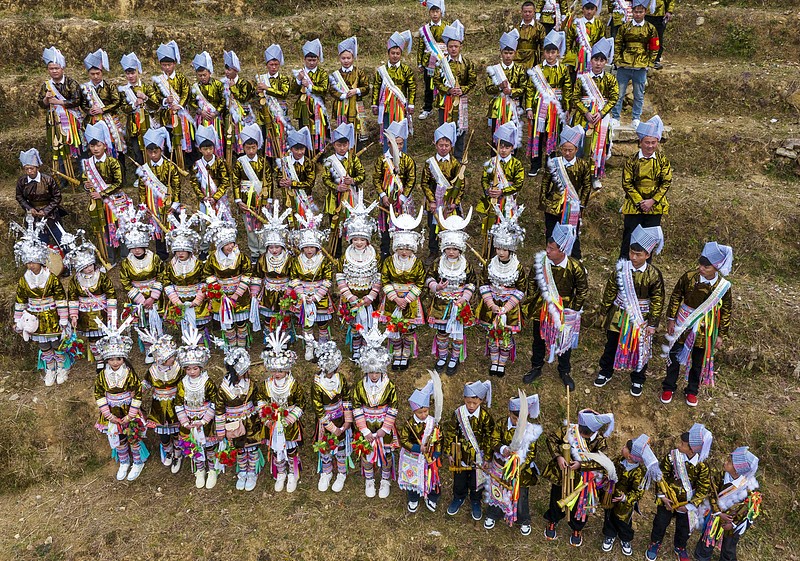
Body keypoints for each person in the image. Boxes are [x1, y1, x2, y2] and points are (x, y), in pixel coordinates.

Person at [595, 225, 665, 396]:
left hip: (641, 316)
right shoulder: (621, 269)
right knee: (611, 343)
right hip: (619, 313)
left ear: (647, 255)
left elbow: (658, 299)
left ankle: (638, 378)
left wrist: (653, 323)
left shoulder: (654, 275)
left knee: (641, 347)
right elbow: (610, 290)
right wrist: (604, 311)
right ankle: (605, 371)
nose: (633, 257)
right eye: (631, 252)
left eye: (638, 254)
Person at [661, 242, 733, 407]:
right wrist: (671, 319)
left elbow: (727, 310)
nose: (701, 268)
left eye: (706, 267)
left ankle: (692, 390)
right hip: (683, 323)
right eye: (700, 264)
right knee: (674, 354)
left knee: (698, 361)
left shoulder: (722, 287)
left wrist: (721, 334)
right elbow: (676, 295)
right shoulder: (688, 277)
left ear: (716, 267)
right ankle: (668, 386)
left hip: (705, 328)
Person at [524, 223, 589, 390]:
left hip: (564, 311)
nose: (547, 251)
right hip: (543, 308)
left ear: (563, 250)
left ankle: (564, 371)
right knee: (538, 338)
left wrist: (572, 310)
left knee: (564, 342)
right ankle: (536, 367)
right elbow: (531, 282)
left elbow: (582, 290)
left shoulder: (575, 267)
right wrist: (534, 301)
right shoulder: (541, 263)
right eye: (547, 246)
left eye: (552, 248)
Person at [541, 409, 616, 546]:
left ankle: (577, 528)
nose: (582, 436)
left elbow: (601, 461)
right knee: (557, 498)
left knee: (581, 506)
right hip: (562, 475)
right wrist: (558, 456)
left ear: (594, 432)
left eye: (586, 435)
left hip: (584, 480)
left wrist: (581, 465)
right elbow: (551, 439)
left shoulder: (599, 441)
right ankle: (553, 519)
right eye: (581, 432)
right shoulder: (568, 430)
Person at [11, 216, 70, 386]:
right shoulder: (24, 280)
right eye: (28, 262)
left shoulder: (51, 278)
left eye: (33, 262)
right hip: (34, 317)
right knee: (43, 345)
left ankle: (61, 367)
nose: (31, 265)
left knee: (56, 342)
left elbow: (60, 298)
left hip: (51, 315)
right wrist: (18, 320)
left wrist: (63, 318)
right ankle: (49, 369)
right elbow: (21, 300)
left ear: (40, 261)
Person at [92, 309, 147, 481]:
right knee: (118, 436)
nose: (115, 362)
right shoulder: (102, 375)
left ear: (124, 359)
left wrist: (131, 415)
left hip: (128, 409)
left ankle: (138, 462)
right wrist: (108, 415)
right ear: (106, 359)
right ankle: (124, 461)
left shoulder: (129, 374)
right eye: (112, 359)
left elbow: (138, 392)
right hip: (111, 412)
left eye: (119, 359)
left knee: (132, 435)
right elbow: (98, 393)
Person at [646, 424, 713, 561]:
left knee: (684, 528)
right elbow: (661, 476)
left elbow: (703, 489)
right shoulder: (672, 456)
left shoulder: (702, 466)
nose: (678, 445)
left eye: (682, 444)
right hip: (668, 499)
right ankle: (655, 543)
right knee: (660, 522)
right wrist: (663, 496)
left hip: (687, 503)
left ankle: (680, 547)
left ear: (691, 449)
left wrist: (689, 506)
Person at [475, 202, 527, 377]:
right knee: (492, 334)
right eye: (498, 248)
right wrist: (491, 304)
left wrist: (506, 308)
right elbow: (483, 282)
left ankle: (501, 363)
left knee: (505, 337)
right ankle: (493, 360)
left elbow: (521, 287)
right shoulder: (490, 264)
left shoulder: (518, 267)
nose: (501, 252)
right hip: (492, 305)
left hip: (508, 308)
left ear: (511, 249)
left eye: (504, 249)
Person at [426, 209, 477, 376]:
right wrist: (436, 287)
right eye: (449, 248)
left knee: (457, 332)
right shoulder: (438, 263)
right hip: (441, 303)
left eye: (455, 249)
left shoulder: (466, 264)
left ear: (460, 250)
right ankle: (442, 356)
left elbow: (472, 282)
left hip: (459, 304)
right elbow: (429, 277)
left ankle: (454, 357)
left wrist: (464, 298)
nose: (451, 252)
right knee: (442, 331)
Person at [351, 324, 400, 499]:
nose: (373, 376)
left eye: (376, 372)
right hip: (367, 424)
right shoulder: (359, 386)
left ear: (382, 369)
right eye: (370, 372)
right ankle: (369, 479)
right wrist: (364, 430)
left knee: (386, 453)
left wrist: (384, 429)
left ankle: (385, 480)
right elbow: (356, 407)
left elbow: (393, 407)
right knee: (367, 453)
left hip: (383, 426)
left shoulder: (389, 386)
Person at [483, 393, 543, 535]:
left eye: (520, 419)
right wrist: (503, 449)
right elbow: (493, 440)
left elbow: (531, 454)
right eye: (514, 418)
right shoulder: (501, 424)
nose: (517, 422)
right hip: (500, 467)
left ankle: (523, 519)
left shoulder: (531, 431)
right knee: (497, 491)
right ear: (509, 413)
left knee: (520, 495)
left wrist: (518, 465)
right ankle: (494, 513)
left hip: (520, 471)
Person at [335, 192, 382, 359]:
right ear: (351, 240)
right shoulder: (345, 256)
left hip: (369, 296)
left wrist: (371, 295)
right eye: (356, 239)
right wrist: (349, 296)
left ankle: (367, 348)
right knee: (355, 325)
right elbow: (340, 276)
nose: (359, 242)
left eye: (362, 239)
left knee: (370, 323)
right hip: (352, 297)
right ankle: (356, 349)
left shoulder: (374, 255)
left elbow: (378, 276)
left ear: (367, 240)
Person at [694, 447, 762, 561]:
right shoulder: (720, 476)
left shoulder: (747, 489)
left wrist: (734, 525)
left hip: (731, 522)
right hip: (716, 516)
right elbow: (712, 494)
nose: (725, 462)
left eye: (729, 462)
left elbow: (747, 512)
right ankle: (702, 557)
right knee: (707, 539)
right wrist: (719, 513)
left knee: (728, 547)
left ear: (737, 470)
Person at [380, 209, 427, 371]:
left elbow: (420, 282)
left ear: (413, 249)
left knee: (407, 328)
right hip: (393, 300)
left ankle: (406, 352)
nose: (404, 252)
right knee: (394, 328)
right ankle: (396, 352)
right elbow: (384, 279)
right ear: (396, 247)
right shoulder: (388, 261)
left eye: (407, 248)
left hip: (410, 300)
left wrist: (406, 300)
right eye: (401, 248)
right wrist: (395, 298)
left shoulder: (417, 263)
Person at [260, 327, 305, 493]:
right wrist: (266, 415)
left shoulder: (293, 385)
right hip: (273, 423)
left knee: (291, 448)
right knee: (276, 448)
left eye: (280, 370)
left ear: (287, 369)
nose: (277, 374)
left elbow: (301, 403)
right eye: (274, 370)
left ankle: (293, 473)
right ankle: (280, 472)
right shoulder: (267, 384)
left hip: (289, 423)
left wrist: (290, 418)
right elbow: (261, 400)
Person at [214, 345, 265, 492]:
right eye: (244, 371)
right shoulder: (224, 389)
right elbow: (219, 409)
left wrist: (263, 417)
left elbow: (257, 401)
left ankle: (252, 471)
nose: (247, 373)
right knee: (240, 449)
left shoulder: (251, 384)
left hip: (251, 420)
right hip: (233, 423)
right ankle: (243, 471)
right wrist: (220, 430)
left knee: (252, 447)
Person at [619, 115, 672, 257]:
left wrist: (652, 201)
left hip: (654, 207)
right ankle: (624, 269)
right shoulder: (631, 161)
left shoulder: (662, 161)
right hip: (634, 205)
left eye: (653, 142)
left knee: (648, 241)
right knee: (629, 238)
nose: (650, 146)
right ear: (640, 142)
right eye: (647, 142)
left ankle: (645, 270)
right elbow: (627, 183)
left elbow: (666, 181)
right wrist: (640, 202)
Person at [601, 434, 663, 555]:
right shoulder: (619, 460)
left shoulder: (639, 472)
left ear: (630, 456)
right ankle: (609, 535)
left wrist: (625, 498)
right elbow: (609, 468)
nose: (622, 447)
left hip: (625, 504)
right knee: (609, 517)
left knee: (624, 522)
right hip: (610, 496)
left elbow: (638, 492)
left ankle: (625, 539)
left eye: (625, 447)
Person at [116, 205, 163, 363]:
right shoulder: (126, 262)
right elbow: (125, 282)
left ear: (144, 245)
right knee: (142, 323)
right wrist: (141, 299)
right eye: (133, 247)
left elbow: (162, 275)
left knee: (156, 322)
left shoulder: (154, 258)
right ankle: (149, 349)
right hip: (138, 299)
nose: (136, 250)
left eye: (139, 247)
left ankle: (159, 346)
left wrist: (152, 297)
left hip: (154, 297)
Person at [444, 380, 496, 521]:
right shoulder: (458, 413)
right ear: (464, 399)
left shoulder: (485, 417)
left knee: (476, 482)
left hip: (478, 457)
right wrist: (449, 452)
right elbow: (450, 432)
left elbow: (490, 437)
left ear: (481, 400)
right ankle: (458, 497)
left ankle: (475, 500)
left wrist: (487, 457)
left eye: (475, 403)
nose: (471, 406)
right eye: (468, 402)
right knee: (459, 480)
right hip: (460, 454)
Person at [200, 208, 253, 348]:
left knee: (241, 321)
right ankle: (231, 343)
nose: (231, 246)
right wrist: (217, 290)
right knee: (227, 321)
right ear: (221, 245)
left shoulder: (240, 257)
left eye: (232, 243)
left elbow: (247, 273)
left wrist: (237, 294)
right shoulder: (213, 257)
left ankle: (241, 342)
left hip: (239, 294)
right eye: (227, 244)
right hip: (221, 295)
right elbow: (207, 273)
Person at [538, 124, 593, 260]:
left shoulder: (583, 165)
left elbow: (587, 186)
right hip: (553, 205)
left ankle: (574, 259)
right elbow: (545, 182)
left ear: (576, 149)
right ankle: (551, 257)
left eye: (570, 150)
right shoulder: (554, 163)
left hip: (572, 206)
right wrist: (544, 200)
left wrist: (581, 205)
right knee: (551, 232)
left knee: (572, 233)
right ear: (560, 149)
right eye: (564, 150)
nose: (567, 153)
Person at [64, 234, 117, 374]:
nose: (88, 269)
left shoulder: (102, 277)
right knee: (93, 338)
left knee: (105, 337)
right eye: (85, 267)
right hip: (86, 315)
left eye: (90, 265)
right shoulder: (75, 281)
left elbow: (111, 293)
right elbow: (73, 298)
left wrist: (111, 313)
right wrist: (74, 315)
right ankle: (99, 360)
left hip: (101, 312)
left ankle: (108, 358)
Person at [572, 37, 619, 190]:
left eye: (601, 60)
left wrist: (602, 113)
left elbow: (614, 98)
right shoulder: (582, 79)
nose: (598, 63)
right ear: (590, 61)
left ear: (605, 62)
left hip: (601, 119)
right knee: (581, 145)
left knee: (598, 147)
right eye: (595, 60)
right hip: (583, 118)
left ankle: (595, 176)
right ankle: (578, 174)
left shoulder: (610, 79)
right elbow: (575, 97)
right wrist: (585, 112)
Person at [287, 210, 335, 361]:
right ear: (302, 248)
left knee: (322, 322)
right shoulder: (297, 261)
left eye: (312, 247)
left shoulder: (323, 261)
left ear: (317, 248)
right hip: (303, 296)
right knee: (307, 322)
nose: (309, 250)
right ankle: (309, 346)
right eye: (306, 247)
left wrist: (316, 296)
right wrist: (301, 295)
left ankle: (322, 346)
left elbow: (328, 279)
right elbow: (294, 278)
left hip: (319, 296)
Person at [174, 325, 218, 488]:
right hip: (189, 422)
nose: (192, 372)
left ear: (201, 367)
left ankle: (212, 470)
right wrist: (185, 422)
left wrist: (204, 421)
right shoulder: (182, 384)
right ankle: (199, 470)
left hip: (205, 422)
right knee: (194, 445)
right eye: (188, 368)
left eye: (195, 368)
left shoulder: (208, 382)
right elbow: (178, 404)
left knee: (209, 445)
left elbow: (214, 402)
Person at [525, 30, 572, 177]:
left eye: (553, 52)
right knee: (538, 133)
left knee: (553, 133)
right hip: (540, 106)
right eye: (547, 52)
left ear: (557, 53)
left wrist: (567, 108)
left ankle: (551, 162)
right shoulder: (537, 69)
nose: (550, 55)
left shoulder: (563, 69)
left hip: (556, 107)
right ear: (543, 53)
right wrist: (529, 108)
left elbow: (568, 89)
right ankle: (535, 163)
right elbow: (530, 88)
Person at [82, 120, 129, 265]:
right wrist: (86, 185)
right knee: (105, 229)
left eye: (98, 145)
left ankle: (125, 257)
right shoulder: (87, 163)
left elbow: (119, 183)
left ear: (104, 145)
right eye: (92, 146)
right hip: (98, 203)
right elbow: (85, 179)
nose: (95, 149)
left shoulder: (113, 162)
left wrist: (102, 193)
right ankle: (110, 259)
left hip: (114, 200)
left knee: (119, 227)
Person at [136, 330, 182, 474]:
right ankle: (168, 451)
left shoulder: (178, 368)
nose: (173, 358)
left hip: (175, 404)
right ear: (162, 359)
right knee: (163, 433)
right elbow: (146, 384)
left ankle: (178, 454)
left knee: (176, 431)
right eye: (170, 357)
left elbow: (184, 384)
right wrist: (136, 394)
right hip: (159, 406)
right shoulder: (152, 371)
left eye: (174, 356)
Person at [309, 341, 352, 493]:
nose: (330, 370)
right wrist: (332, 428)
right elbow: (318, 408)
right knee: (325, 446)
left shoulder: (340, 378)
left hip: (341, 418)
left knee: (340, 446)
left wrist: (347, 420)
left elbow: (346, 397)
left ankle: (341, 473)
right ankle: (326, 472)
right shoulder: (317, 383)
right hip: (325, 422)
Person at [38, 46, 83, 187]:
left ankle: (84, 177)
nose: (54, 71)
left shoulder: (72, 83)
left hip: (72, 121)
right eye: (51, 68)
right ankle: (63, 179)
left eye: (57, 68)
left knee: (79, 147)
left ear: (62, 68)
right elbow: (41, 103)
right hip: (55, 122)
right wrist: (46, 99)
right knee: (59, 148)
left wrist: (59, 102)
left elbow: (77, 100)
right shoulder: (47, 86)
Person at [478, 122, 525, 257]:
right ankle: (489, 254)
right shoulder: (492, 162)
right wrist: (488, 190)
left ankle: (508, 254)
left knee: (507, 228)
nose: (503, 150)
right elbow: (484, 179)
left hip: (508, 202)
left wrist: (503, 191)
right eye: (501, 147)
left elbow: (519, 183)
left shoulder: (517, 164)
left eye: (507, 147)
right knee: (491, 228)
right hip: (493, 202)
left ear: (512, 148)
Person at [611, 0, 660, 129]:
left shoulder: (650, 28)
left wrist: (650, 62)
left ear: (645, 12)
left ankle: (636, 118)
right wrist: (617, 59)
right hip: (624, 64)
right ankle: (615, 117)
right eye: (636, 12)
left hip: (641, 65)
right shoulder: (624, 27)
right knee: (619, 93)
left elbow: (654, 46)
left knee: (639, 95)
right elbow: (618, 44)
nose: (638, 14)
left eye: (640, 12)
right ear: (632, 12)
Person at [432, 19, 477, 160]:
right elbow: (436, 81)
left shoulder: (467, 63)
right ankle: (444, 154)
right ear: (447, 46)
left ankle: (458, 155)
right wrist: (448, 90)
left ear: (460, 46)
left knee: (461, 129)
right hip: (445, 101)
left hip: (461, 101)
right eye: (450, 46)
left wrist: (462, 89)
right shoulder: (441, 63)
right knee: (444, 126)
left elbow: (472, 80)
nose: (453, 49)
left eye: (456, 46)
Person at [137, 127, 183, 261]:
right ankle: (162, 256)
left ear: (161, 151)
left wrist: (175, 204)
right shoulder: (144, 169)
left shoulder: (170, 166)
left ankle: (177, 254)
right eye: (150, 152)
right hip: (153, 204)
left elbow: (176, 186)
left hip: (169, 204)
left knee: (173, 228)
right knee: (157, 231)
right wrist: (143, 205)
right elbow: (141, 188)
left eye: (155, 152)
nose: (153, 155)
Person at [161, 210, 210, 335]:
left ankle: (199, 351)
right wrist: (176, 301)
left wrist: (197, 300)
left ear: (189, 251)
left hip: (196, 301)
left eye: (183, 250)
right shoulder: (171, 265)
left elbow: (204, 281)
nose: (180, 253)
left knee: (199, 328)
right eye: (177, 251)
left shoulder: (198, 264)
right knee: (184, 327)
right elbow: (166, 282)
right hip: (178, 300)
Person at [399, 375, 443, 513]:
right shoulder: (409, 424)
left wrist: (436, 453)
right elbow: (403, 440)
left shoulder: (433, 423)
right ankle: (413, 498)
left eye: (426, 411)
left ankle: (432, 497)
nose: (423, 415)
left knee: (432, 478)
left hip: (430, 457)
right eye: (420, 412)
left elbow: (440, 439)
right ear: (414, 411)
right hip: (413, 457)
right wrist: (418, 448)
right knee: (412, 478)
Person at [373, 119, 416, 258]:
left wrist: (403, 197)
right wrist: (382, 195)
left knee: (401, 227)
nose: (398, 146)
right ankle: (385, 253)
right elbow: (376, 179)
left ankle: (402, 253)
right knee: (386, 227)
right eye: (395, 143)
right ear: (389, 143)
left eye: (401, 143)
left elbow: (411, 179)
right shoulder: (382, 160)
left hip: (402, 202)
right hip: (386, 200)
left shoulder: (407, 160)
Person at [322, 122, 367, 257]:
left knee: (351, 226)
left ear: (348, 145)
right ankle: (336, 254)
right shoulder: (329, 161)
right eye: (339, 145)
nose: (342, 148)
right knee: (336, 227)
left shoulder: (353, 159)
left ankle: (353, 252)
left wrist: (352, 180)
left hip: (351, 199)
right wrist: (337, 187)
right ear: (334, 145)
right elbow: (325, 179)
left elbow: (362, 174)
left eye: (344, 145)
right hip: (334, 200)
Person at [232, 123, 273, 264]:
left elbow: (268, 181)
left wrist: (269, 200)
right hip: (246, 198)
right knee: (250, 226)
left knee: (262, 224)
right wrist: (238, 200)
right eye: (247, 148)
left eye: (253, 147)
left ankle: (264, 249)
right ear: (243, 148)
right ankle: (254, 251)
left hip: (261, 197)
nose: (250, 151)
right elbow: (235, 181)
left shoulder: (263, 162)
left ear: (257, 147)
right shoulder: (239, 163)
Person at [421, 122, 464, 257]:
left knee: (449, 227)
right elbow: (424, 183)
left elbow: (461, 185)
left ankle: (448, 252)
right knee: (433, 227)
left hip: (449, 202)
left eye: (447, 145)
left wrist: (454, 202)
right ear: (435, 144)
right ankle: (433, 251)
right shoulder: (430, 163)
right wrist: (432, 201)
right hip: (433, 202)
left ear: (451, 146)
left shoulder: (456, 164)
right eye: (441, 145)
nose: (444, 148)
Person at [251, 202, 292, 330]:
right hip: (269, 292)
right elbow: (257, 276)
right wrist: (254, 293)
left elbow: (294, 276)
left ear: (282, 247)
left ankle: (284, 339)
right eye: (271, 247)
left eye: (277, 247)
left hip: (284, 291)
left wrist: (290, 291)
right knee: (269, 318)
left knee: (284, 317)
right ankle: (269, 340)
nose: (274, 250)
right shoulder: (263, 258)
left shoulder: (289, 258)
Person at [191, 124, 231, 251]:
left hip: (218, 199)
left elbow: (225, 181)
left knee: (222, 222)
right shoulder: (197, 165)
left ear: (213, 148)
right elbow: (194, 183)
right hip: (204, 200)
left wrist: (216, 197)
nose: (208, 152)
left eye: (210, 149)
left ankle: (222, 246)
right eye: (205, 149)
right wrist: (203, 197)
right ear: (200, 150)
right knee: (204, 223)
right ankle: (204, 248)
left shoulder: (220, 163)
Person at [373, 31, 416, 149]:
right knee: (387, 130)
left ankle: (402, 154)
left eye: (398, 53)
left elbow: (412, 87)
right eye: (393, 53)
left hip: (401, 106)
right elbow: (376, 86)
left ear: (401, 54)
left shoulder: (406, 70)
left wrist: (411, 103)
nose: (395, 55)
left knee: (401, 130)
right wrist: (374, 104)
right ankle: (387, 154)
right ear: (388, 53)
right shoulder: (382, 70)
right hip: (386, 106)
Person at [153, 41, 192, 170]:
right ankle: (171, 166)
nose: (167, 68)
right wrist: (165, 100)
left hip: (180, 115)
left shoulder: (181, 78)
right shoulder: (158, 81)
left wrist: (179, 105)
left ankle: (184, 165)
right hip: (166, 116)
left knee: (182, 141)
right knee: (169, 140)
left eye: (169, 65)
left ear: (174, 64)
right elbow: (155, 96)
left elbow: (186, 93)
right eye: (164, 65)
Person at [16, 148, 66, 246]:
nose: (29, 171)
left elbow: (57, 197)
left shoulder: (48, 180)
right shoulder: (22, 182)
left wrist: (46, 211)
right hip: (34, 216)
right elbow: (19, 196)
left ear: (37, 168)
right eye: (27, 169)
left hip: (51, 215)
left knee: (62, 241)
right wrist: (29, 208)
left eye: (32, 168)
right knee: (41, 244)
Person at [81, 49, 125, 161]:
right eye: (92, 74)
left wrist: (103, 109)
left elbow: (117, 101)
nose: (95, 76)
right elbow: (83, 103)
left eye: (98, 73)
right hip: (93, 121)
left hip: (109, 120)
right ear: (88, 74)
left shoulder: (109, 86)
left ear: (102, 73)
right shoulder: (85, 88)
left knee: (115, 146)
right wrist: (88, 110)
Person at [329, 37, 371, 146]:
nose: (346, 60)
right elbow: (332, 90)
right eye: (343, 58)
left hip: (356, 107)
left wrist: (356, 90)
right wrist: (343, 95)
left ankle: (356, 152)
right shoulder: (335, 75)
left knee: (356, 130)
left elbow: (366, 88)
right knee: (343, 130)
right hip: (341, 107)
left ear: (353, 58)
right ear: (339, 58)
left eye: (348, 58)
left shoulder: (359, 73)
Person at [290, 39, 329, 154]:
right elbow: (293, 91)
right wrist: (298, 80)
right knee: (305, 131)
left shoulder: (322, 73)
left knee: (320, 133)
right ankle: (306, 155)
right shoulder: (300, 73)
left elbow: (324, 89)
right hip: (304, 109)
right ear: (304, 60)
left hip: (318, 108)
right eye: (309, 60)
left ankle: (320, 156)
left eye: (314, 60)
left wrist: (310, 87)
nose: (312, 63)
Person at [486, 31, 527, 139]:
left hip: (513, 107)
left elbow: (523, 88)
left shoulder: (520, 69)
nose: (508, 56)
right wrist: (499, 87)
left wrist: (511, 91)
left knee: (512, 135)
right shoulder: (494, 69)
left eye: (510, 53)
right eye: (505, 53)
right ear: (501, 52)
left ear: (515, 53)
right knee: (496, 135)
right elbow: (488, 88)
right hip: (497, 108)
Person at [256, 44, 291, 162]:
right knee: (267, 139)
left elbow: (283, 93)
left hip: (280, 114)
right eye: (271, 64)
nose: (274, 67)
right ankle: (269, 163)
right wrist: (258, 91)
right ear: (267, 65)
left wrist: (267, 88)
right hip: (266, 115)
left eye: (276, 64)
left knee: (281, 138)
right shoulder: (260, 79)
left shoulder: (284, 79)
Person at [221, 50, 256, 162]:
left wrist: (233, 88)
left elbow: (243, 98)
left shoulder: (243, 83)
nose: (226, 72)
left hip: (242, 117)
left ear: (235, 70)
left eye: (229, 69)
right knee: (229, 139)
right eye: (226, 69)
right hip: (228, 118)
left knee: (241, 139)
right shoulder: (223, 84)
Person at [276, 126, 316, 223]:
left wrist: (292, 184)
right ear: (291, 149)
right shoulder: (285, 162)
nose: (299, 152)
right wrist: (280, 181)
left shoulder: (308, 163)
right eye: (296, 149)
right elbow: (278, 176)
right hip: (289, 198)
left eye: (302, 149)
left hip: (305, 198)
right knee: (291, 222)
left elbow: (310, 183)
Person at [190, 51, 225, 160]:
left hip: (215, 119)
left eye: (204, 75)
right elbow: (191, 102)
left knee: (216, 139)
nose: (202, 77)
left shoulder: (218, 84)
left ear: (209, 73)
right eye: (200, 75)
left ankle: (218, 161)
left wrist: (216, 113)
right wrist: (200, 112)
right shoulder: (195, 87)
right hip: (202, 118)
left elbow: (223, 100)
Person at [416, 0, 448, 120]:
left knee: (442, 84)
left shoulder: (446, 27)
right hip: (428, 62)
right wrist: (419, 63)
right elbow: (421, 46)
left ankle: (442, 105)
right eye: (432, 11)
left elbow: (450, 43)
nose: (435, 14)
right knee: (428, 86)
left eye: (437, 11)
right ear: (429, 13)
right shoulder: (425, 29)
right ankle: (427, 108)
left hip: (442, 61)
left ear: (441, 12)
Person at [564, 1, 608, 75]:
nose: (589, 12)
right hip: (577, 57)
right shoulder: (576, 23)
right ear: (583, 9)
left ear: (595, 10)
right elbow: (569, 40)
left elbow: (601, 41)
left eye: (592, 9)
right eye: (587, 9)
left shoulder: (599, 24)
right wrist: (568, 55)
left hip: (593, 57)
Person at [514, 2, 547, 69]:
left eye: (530, 12)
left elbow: (543, 45)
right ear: (522, 12)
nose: (527, 14)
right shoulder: (516, 27)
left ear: (534, 12)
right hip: (517, 57)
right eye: (525, 12)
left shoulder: (539, 27)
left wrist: (542, 60)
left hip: (532, 58)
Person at [645, 0, 674, 69]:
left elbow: (671, 1)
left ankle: (655, 60)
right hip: (645, 13)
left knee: (657, 38)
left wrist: (669, 11)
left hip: (660, 15)